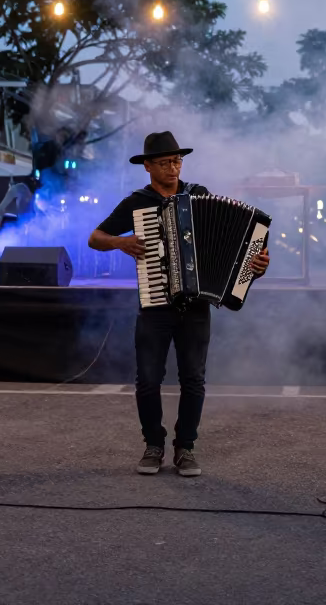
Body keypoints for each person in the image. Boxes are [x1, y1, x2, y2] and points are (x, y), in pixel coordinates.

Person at [88, 131, 270, 477]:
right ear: (147, 166)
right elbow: (95, 238)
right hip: (156, 304)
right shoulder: (136, 203)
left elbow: (235, 254)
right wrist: (120, 242)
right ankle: (153, 444)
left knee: (193, 380)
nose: (173, 168)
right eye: (164, 162)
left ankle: (185, 448)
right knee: (148, 380)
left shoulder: (197, 195)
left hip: (196, 307)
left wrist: (256, 267)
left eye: (177, 161)